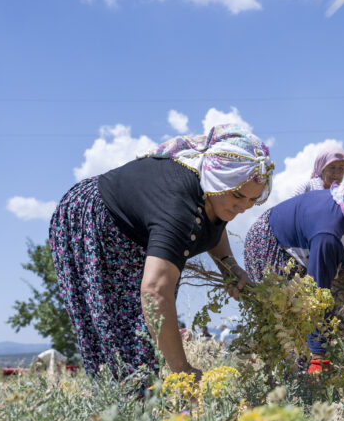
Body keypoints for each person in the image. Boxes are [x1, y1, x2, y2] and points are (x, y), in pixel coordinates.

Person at [49, 124, 273, 382]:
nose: (243, 207)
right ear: (217, 180)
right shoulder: (180, 209)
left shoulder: (216, 198)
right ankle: (126, 414)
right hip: (95, 223)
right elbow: (155, 291)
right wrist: (184, 372)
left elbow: (214, 223)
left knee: (147, 344)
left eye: (252, 200)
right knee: (126, 352)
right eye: (238, 196)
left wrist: (229, 268)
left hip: (135, 238)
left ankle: (143, 411)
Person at [244, 163, 344, 372]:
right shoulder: (330, 235)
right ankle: (290, 382)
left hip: (302, 250)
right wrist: (318, 356)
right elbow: (318, 293)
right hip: (270, 244)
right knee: (290, 325)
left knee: (323, 318)